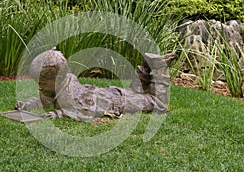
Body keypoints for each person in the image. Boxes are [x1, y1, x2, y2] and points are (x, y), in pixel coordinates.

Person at [15, 48, 177, 121]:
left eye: (43, 82)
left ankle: (160, 68)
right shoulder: (57, 88)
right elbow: (45, 100)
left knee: (157, 104)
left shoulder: (71, 96)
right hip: (108, 93)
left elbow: (86, 111)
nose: (39, 87)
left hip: (117, 101)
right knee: (135, 91)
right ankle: (146, 66)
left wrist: (58, 114)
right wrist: (28, 104)